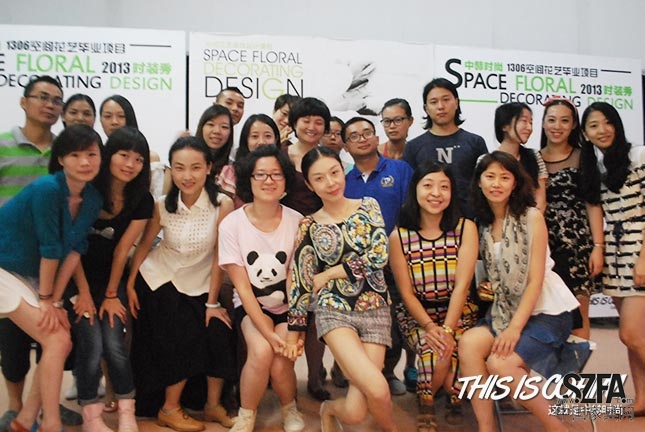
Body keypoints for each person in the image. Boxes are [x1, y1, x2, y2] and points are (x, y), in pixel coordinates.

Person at [459, 151, 580, 432]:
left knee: (500, 364)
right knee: (468, 344)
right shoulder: (483, 224)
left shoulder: (531, 217)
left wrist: (514, 329)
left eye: (504, 177)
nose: (496, 183)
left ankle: (557, 427)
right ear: (479, 182)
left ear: (515, 183)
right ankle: (486, 428)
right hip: (505, 309)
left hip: (546, 311)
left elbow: (535, 280)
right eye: (490, 176)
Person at [286, 146, 398, 432]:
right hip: (334, 310)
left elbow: (379, 255)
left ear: (343, 171)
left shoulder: (369, 206)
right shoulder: (309, 225)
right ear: (309, 185)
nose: (330, 182)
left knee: (356, 411)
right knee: (378, 389)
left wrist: (331, 272)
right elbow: (302, 279)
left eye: (334, 172)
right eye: (319, 178)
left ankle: (329, 409)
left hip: (375, 307)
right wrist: (295, 330)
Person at [127, 137, 236, 430]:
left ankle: (212, 405)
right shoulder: (162, 205)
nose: (187, 176)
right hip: (158, 280)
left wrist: (212, 303)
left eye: (195, 167)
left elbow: (219, 257)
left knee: (219, 331)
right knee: (183, 332)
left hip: (200, 284)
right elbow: (144, 246)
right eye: (179, 168)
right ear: (171, 170)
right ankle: (169, 408)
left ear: (209, 168)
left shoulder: (222, 204)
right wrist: (129, 285)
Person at [0, 124, 103, 432]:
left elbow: (74, 251)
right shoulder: (47, 189)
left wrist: (55, 300)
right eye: (75, 155)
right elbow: (51, 248)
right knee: (56, 338)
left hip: (30, 275)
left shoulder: (92, 198)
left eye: (91, 154)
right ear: (60, 159)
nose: (84, 162)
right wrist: (47, 300)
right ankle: (51, 423)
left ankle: (25, 421)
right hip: (4, 269)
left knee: (60, 339)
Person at [66, 127, 153, 432]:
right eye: (124, 155)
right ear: (108, 155)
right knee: (91, 344)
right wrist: (83, 293)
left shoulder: (142, 199)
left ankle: (127, 412)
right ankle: (92, 416)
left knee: (115, 343)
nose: (131, 164)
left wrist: (112, 294)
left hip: (111, 281)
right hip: (76, 277)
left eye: (139, 159)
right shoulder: (86, 191)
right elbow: (72, 247)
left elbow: (121, 251)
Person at [218, 145, 305, 432]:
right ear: (249, 179)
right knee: (261, 351)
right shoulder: (232, 224)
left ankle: (289, 408)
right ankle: (247, 414)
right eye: (261, 175)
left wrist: (296, 329)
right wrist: (268, 333)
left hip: (290, 306)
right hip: (251, 305)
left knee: (281, 361)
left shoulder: (297, 222)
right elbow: (243, 288)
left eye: (276, 174)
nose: (269, 181)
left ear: (286, 180)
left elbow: (297, 280)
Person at [388, 161, 478, 431]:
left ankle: (446, 395)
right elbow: (406, 293)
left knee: (455, 351)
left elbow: (462, 286)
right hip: (418, 316)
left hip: (459, 311)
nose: (436, 193)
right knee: (434, 354)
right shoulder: (399, 236)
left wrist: (447, 329)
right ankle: (428, 403)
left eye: (444, 187)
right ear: (415, 189)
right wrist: (430, 327)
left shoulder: (465, 228)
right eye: (428, 185)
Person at [580, 102, 645, 415]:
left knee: (630, 332)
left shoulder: (639, 156)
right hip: (616, 259)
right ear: (585, 133)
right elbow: (596, 210)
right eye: (594, 125)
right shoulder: (597, 166)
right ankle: (642, 398)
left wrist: (644, 258)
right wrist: (600, 248)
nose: (602, 130)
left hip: (640, 251)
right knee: (635, 337)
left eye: (607, 123)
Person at [342, 116, 413, 396]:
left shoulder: (399, 170)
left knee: (394, 321)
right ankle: (359, 373)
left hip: (397, 262)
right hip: (359, 267)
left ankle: (388, 371)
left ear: (376, 137)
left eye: (367, 133)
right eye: (354, 136)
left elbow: (411, 211)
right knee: (363, 322)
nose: (362, 139)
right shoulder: (344, 182)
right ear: (346, 146)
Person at [539, 97, 603, 340]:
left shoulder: (583, 156)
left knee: (578, 318)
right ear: (543, 123)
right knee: (547, 317)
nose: (557, 126)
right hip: (544, 247)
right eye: (552, 120)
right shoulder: (533, 159)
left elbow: (593, 204)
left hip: (577, 247)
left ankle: (575, 367)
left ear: (574, 125)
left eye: (564, 121)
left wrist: (598, 246)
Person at [281, 97, 330, 401]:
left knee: (316, 315)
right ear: (294, 124)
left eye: (318, 122)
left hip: (320, 243)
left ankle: (315, 378)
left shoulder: (327, 158)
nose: (312, 127)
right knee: (285, 311)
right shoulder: (281, 156)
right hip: (282, 240)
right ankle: (281, 378)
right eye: (306, 120)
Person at [403, 78, 488, 219]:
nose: (441, 106)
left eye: (446, 100)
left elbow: (484, 184)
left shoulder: (475, 142)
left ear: (457, 102)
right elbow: (409, 191)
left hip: (469, 221)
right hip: (427, 223)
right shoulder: (413, 147)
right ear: (426, 108)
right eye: (434, 102)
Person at [493, 102, 547, 212]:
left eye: (531, 122)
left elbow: (540, 199)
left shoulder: (534, 156)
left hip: (531, 219)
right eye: (524, 121)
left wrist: (531, 219)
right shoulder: (487, 160)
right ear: (505, 126)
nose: (529, 127)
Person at [218, 114, 280, 207]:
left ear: (276, 139)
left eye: (268, 136)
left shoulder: (283, 172)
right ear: (246, 140)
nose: (261, 142)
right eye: (255, 136)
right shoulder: (231, 173)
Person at [194, 104, 234, 189]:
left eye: (224, 127)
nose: (217, 131)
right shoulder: (187, 157)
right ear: (201, 127)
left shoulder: (232, 167)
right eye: (211, 125)